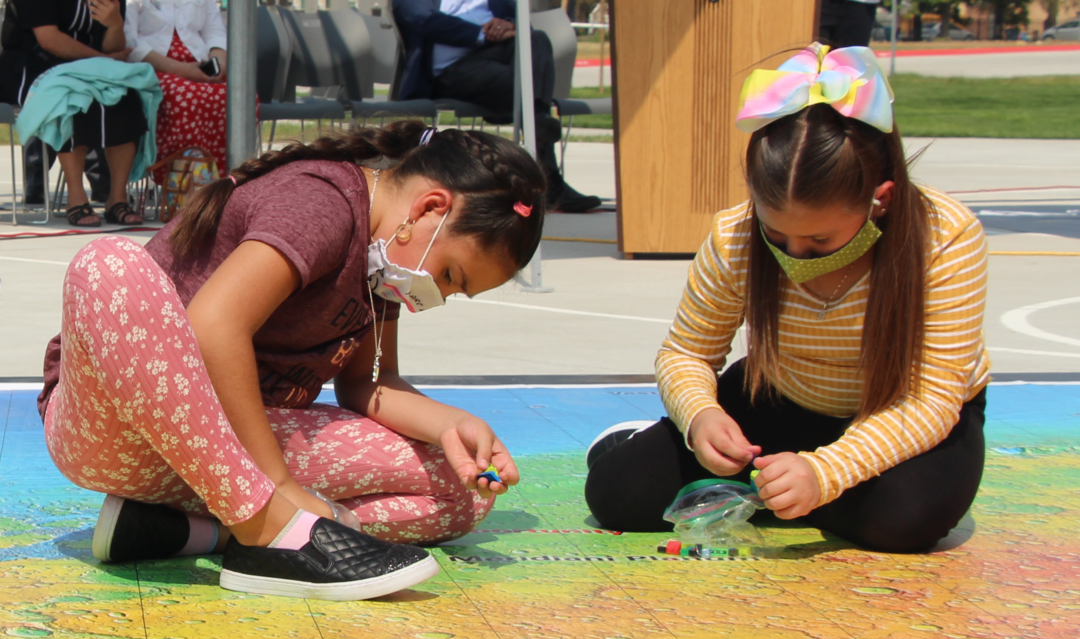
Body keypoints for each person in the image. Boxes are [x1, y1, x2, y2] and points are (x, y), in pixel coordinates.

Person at [38, 121, 547, 600]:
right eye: (452, 275)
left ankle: (188, 530)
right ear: (430, 208)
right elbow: (215, 327)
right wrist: (278, 484)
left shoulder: (385, 265)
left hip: (224, 456)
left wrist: (452, 426)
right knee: (109, 265)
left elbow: (369, 383)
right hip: (117, 430)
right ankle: (265, 530)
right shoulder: (322, 202)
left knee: (462, 492)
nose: (438, 295)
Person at [584, 43, 989, 554]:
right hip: (782, 395)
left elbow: (930, 400)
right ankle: (758, 475)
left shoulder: (944, 237)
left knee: (904, 525)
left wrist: (826, 471)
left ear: (879, 200)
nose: (796, 254)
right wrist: (701, 417)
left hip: (901, 412)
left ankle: (787, 484)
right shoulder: (735, 234)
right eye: (776, 234)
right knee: (618, 494)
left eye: (820, 240)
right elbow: (686, 353)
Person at [394, 0, 602, 213]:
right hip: (450, 72)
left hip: (495, 58)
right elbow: (419, 18)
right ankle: (548, 176)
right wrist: (482, 33)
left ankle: (538, 129)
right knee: (525, 84)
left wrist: (509, 26)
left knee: (535, 40)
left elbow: (520, 23)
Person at [0, 0, 147, 226]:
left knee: (124, 96)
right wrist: (103, 61)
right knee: (71, 97)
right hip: (33, 62)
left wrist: (115, 25)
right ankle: (76, 197)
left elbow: (112, 47)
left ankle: (117, 199)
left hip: (90, 65)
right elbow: (49, 39)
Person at [124, 0, 233, 184]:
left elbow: (215, 32)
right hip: (152, 68)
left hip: (200, 66)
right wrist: (182, 70)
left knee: (236, 97)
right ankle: (184, 184)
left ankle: (223, 182)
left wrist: (219, 64)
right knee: (185, 96)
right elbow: (129, 43)